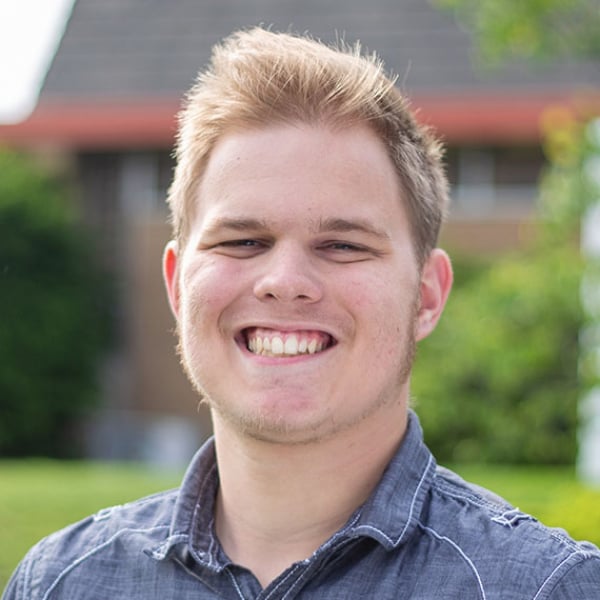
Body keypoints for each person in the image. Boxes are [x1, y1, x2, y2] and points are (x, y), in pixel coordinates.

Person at [4, 26, 600, 600]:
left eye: (342, 245)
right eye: (243, 241)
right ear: (178, 286)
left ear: (426, 296)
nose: (285, 283)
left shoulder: (547, 590)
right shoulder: (59, 584)